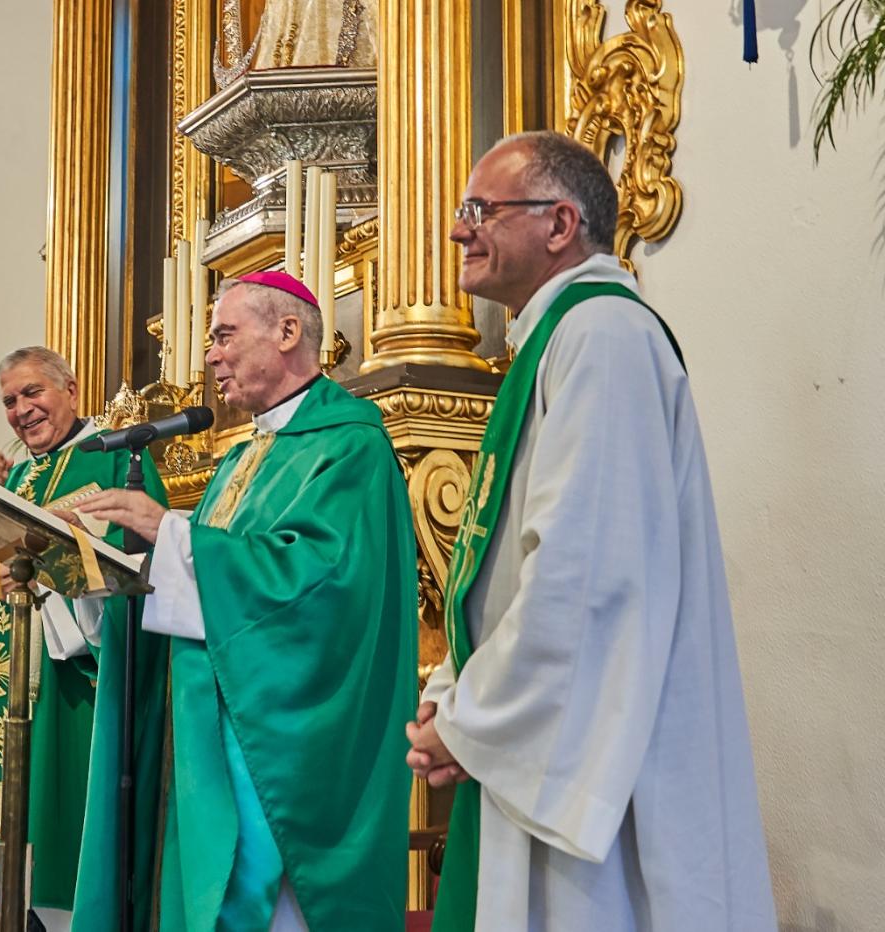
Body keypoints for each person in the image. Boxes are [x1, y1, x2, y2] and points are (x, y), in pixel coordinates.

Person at [405, 131, 777, 930]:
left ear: (559, 224)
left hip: (600, 773)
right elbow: (500, 565)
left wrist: (472, 722)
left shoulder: (602, 336)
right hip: (535, 738)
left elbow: (588, 579)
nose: (458, 229)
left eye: (481, 209)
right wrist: (452, 696)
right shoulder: (552, 342)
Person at [78, 271, 418, 931]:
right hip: (209, 741)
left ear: (288, 332)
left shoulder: (351, 447)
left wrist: (171, 533)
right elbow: (199, 579)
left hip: (282, 754)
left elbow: (318, 588)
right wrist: (107, 571)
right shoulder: (240, 460)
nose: (210, 356)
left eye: (224, 334)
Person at [0, 346, 167, 932]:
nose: (21, 410)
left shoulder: (112, 460)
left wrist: (54, 581)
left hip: (69, 676)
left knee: (59, 810)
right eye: (9, 400)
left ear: (70, 388)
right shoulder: (18, 474)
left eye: (33, 393)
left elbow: (141, 573)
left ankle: (57, 915)